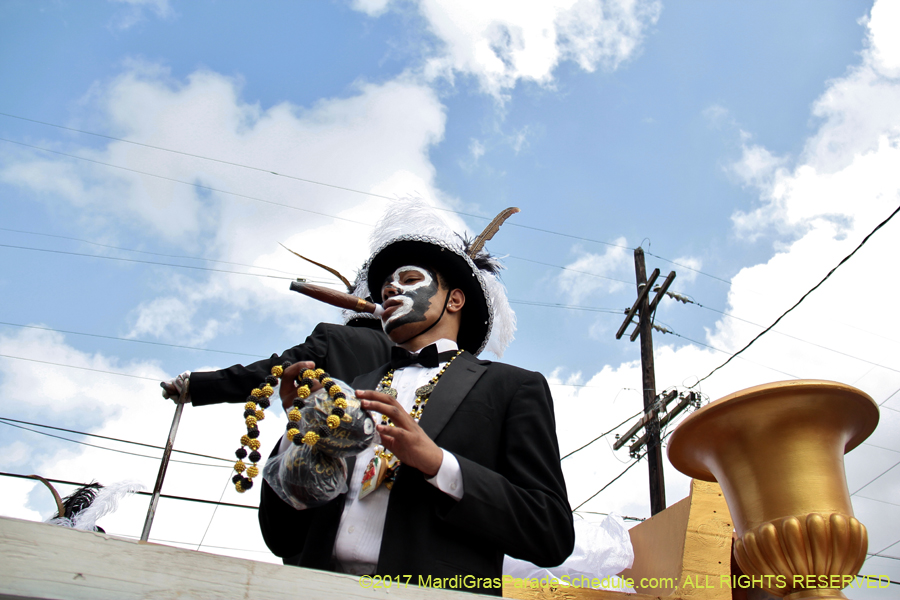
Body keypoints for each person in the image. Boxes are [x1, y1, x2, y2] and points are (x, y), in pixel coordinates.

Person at [271, 230, 574, 595]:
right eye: (384, 286)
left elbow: (550, 531)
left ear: (455, 300)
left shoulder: (512, 387)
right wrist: (299, 431)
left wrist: (438, 463)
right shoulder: (345, 391)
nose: (390, 290)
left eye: (411, 279)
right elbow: (282, 536)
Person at [159, 268, 394, 564]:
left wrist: (199, 385)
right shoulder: (430, 357)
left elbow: (274, 371)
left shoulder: (335, 337)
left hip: (323, 482)